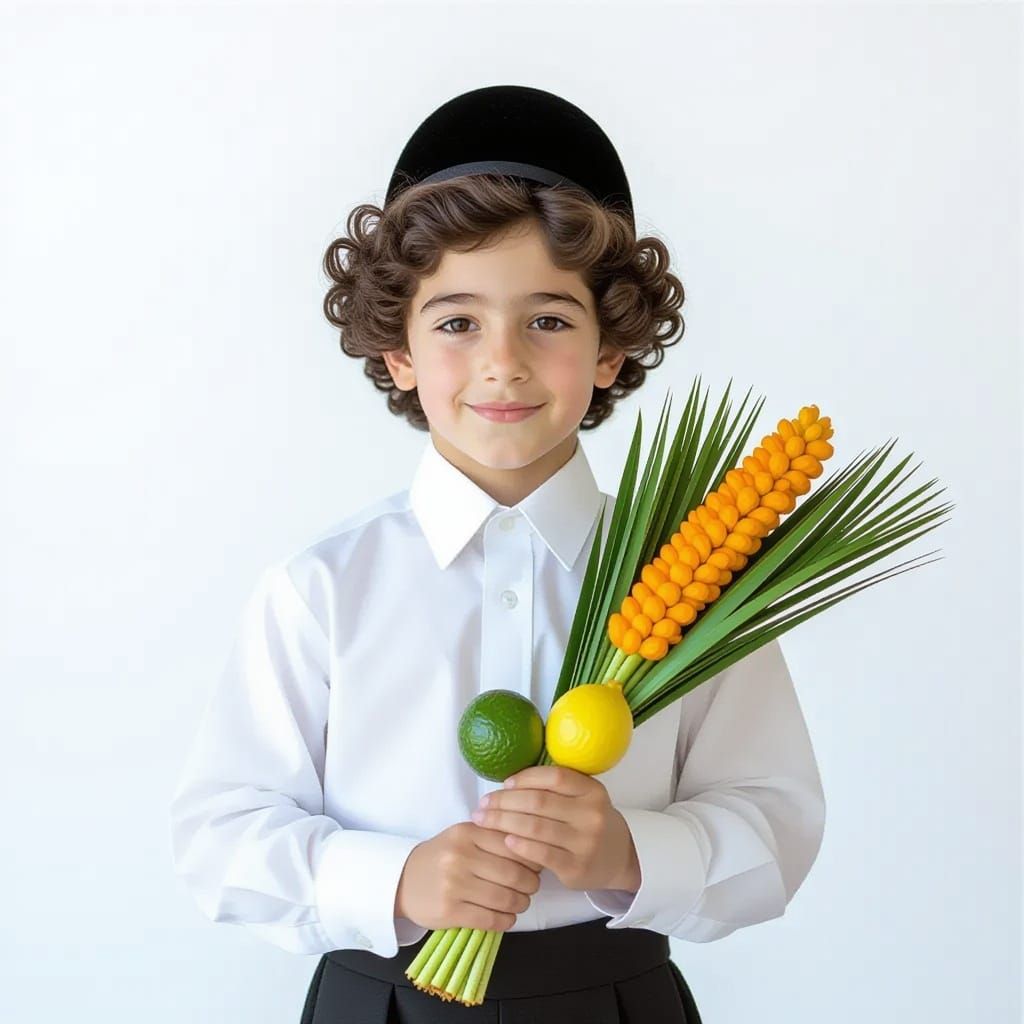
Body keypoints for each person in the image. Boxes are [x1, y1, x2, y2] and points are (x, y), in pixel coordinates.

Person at [169, 85, 826, 1023]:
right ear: (398, 349)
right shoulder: (321, 590)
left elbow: (776, 820)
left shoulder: (699, 579)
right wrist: (399, 878)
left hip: (615, 999)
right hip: (380, 1001)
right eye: (457, 322)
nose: (503, 362)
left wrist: (630, 853)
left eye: (550, 320)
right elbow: (221, 834)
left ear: (611, 348)